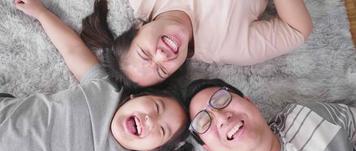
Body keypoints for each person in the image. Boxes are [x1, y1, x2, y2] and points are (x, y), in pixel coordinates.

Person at [1, 0, 194, 151]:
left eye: (162, 130)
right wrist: (41, 13)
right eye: (156, 106)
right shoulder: (106, 90)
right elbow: (72, 50)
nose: (151, 120)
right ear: (135, 97)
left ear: (151, 150)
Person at [185, 78, 356, 151]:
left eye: (221, 99)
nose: (222, 118)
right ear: (209, 149)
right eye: (204, 122)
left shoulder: (307, 115)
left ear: (249, 101)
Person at [81, 0, 313, 87]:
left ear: (138, 28)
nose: (162, 56)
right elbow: (297, 30)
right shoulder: (227, 46)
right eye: (162, 70)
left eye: (145, 53)